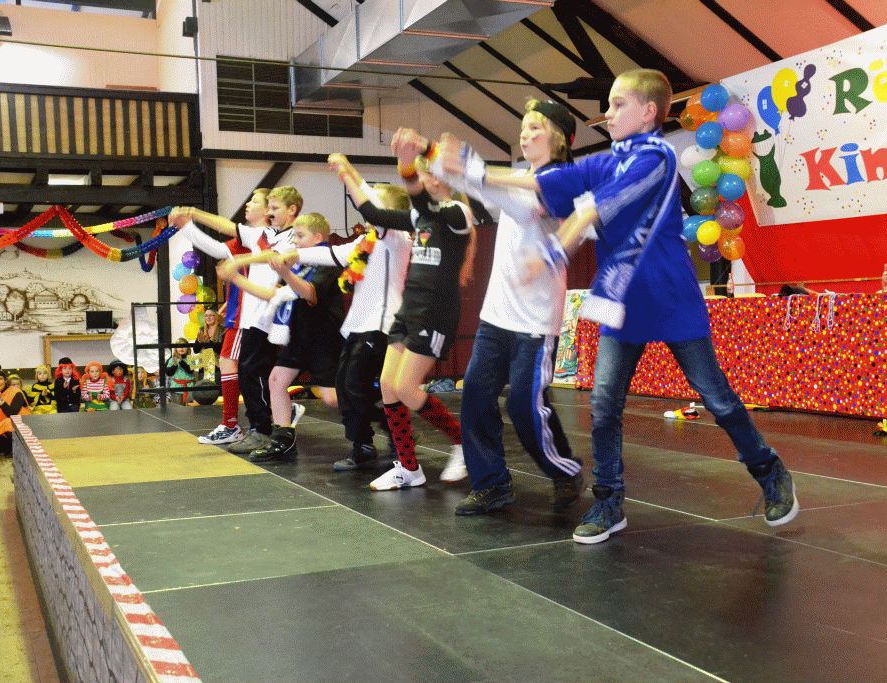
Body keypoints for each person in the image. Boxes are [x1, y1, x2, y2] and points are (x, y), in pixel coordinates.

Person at [490, 69, 799, 543]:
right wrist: (467, 170)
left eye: (618, 105)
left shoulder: (656, 157)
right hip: (623, 301)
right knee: (603, 403)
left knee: (716, 397)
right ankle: (608, 501)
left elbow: (591, 208)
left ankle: (770, 471)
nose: (607, 114)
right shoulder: (610, 159)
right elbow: (545, 179)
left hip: (671, 298)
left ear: (649, 112)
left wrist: (551, 254)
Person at [422, 100, 586, 515]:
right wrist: (433, 157)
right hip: (497, 315)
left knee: (524, 405)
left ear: (559, 139)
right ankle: (492, 484)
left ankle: (564, 470)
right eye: (523, 127)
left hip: (535, 320)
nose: (525, 134)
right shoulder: (517, 176)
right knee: (476, 396)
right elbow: (482, 188)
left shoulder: (563, 182)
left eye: (536, 128)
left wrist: (467, 167)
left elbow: (520, 202)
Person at [331, 133, 476, 491]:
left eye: (427, 175)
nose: (422, 182)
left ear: (441, 180)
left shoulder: (458, 214)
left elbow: (423, 201)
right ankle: (409, 468)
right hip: (409, 310)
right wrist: (347, 174)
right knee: (388, 387)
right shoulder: (419, 218)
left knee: (408, 388)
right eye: (421, 175)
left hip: (435, 314)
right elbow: (373, 212)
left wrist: (407, 165)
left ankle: (463, 443)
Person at [292, 168, 414, 472]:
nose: (367, 207)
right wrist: (287, 258)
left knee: (356, 385)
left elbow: (370, 207)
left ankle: (380, 435)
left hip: (380, 325)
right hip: (357, 326)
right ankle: (371, 437)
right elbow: (329, 255)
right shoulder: (365, 243)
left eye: (375, 204)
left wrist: (348, 173)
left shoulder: (396, 237)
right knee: (346, 388)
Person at [171, 185, 302, 454]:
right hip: (254, 316)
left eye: (274, 207)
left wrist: (240, 261)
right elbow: (227, 228)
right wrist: (192, 216)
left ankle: (264, 426)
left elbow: (274, 257)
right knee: (253, 371)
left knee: (258, 371)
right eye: (270, 207)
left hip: (276, 315)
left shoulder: (294, 237)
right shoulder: (262, 234)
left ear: (291, 210)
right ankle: (265, 426)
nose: (270, 212)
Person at [219, 212, 343, 463]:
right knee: (276, 381)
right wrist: (237, 278)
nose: (294, 241)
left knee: (331, 398)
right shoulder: (299, 265)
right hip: (298, 336)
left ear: (318, 237)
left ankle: (381, 413)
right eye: (294, 236)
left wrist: (285, 273)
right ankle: (282, 439)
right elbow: (273, 294)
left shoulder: (327, 262)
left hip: (322, 339)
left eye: (300, 236)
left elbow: (309, 293)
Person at [178, 191, 263, 446]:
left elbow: (220, 239)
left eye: (255, 201)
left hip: (249, 314)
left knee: (232, 364)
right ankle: (265, 415)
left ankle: (233, 423)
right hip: (243, 311)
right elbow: (221, 249)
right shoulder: (249, 239)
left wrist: (189, 220)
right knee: (252, 368)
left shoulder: (259, 236)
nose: (247, 204)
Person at [0, 369, 29, 455]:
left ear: (5, 381)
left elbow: (12, 414)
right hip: (5, 426)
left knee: (8, 422)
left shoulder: (16, 391)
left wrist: (0, 399)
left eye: (0, 379)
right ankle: (6, 448)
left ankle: (18, 449)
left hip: (24, 424)